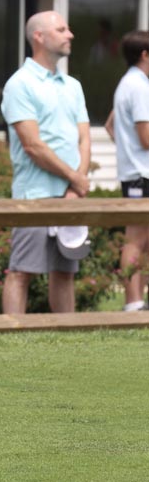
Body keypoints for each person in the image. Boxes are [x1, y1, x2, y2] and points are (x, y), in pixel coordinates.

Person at [1, 11, 90, 314]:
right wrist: (75, 178)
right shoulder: (20, 84)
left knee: (65, 272)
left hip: (71, 195)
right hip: (34, 195)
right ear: (39, 36)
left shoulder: (72, 85)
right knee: (21, 271)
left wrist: (76, 185)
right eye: (62, 30)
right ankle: (11, 336)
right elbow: (32, 145)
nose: (70, 35)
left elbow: (84, 138)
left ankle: (68, 335)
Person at [105, 30, 149, 311]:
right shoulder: (139, 86)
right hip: (140, 175)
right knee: (136, 239)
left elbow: (110, 125)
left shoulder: (129, 83)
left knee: (144, 239)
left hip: (136, 172)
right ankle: (133, 303)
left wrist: (126, 150)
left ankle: (139, 300)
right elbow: (146, 138)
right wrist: (132, 152)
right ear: (145, 55)